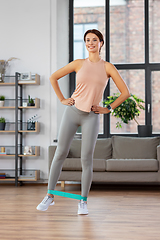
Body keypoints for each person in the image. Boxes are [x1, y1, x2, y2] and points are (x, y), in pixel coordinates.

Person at [36, 29, 130, 214]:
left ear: (101, 43)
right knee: (60, 153)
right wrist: (63, 99)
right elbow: (53, 77)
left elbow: (125, 92)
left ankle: (83, 201)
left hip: (91, 117)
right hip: (72, 112)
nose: (90, 43)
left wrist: (108, 108)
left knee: (86, 159)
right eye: (87, 40)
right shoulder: (78, 63)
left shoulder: (108, 67)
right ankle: (49, 196)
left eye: (94, 40)